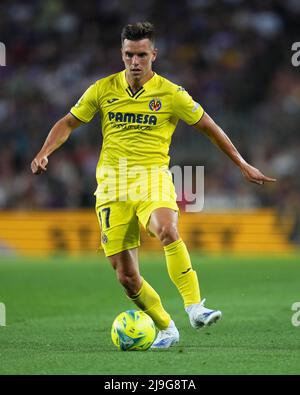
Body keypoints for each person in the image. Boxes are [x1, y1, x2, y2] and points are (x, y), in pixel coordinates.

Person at [31, 22, 276, 349]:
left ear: (153, 55)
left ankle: (195, 307)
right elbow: (68, 122)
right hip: (111, 187)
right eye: (129, 55)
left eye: (142, 55)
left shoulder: (171, 94)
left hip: (152, 180)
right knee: (126, 276)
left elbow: (209, 127)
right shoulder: (102, 89)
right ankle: (165, 326)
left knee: (167, 230)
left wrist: (242, 163)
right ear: (122, 54)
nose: (135, 62)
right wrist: (45, 151)